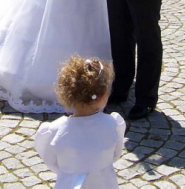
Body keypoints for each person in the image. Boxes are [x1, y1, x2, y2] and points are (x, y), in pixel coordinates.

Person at [34, 57, 125, 189]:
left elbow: (51, 160)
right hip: (104, 183)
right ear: (101, 97)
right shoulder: (113, 123)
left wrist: (70, 169)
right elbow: (115, 154)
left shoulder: (54, 130)